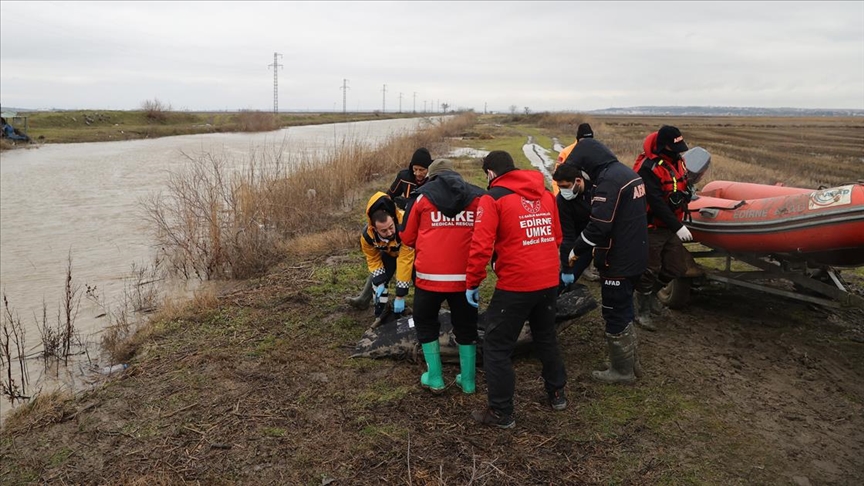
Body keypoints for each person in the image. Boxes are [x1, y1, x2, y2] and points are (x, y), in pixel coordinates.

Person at [465, 150, 568, 429]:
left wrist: (473, 283)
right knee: (546, 336)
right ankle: (557, 393)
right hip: (548, 279)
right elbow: (557, 236)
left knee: (496, 346)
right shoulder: (546, 194)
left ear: (490, 173)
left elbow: (481, 246)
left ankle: (501, 411)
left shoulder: (493, 199)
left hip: (516, 283)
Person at [563, 137, 648, 385]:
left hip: (618, 260)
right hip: (636, 255)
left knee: (614, 312)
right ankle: (633, 364)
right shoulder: (627, 174)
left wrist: (576, 250)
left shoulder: (609, 182)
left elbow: (599, 227)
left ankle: (622, 371)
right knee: (626, 308)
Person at [400, 159, 485, 394]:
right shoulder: (477, 198)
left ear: (433, 177)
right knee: (467, 327)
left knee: (426, 323)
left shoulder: (421, 198)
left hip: (429, 279)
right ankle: (468, 381)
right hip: (465, 281)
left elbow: (406, 238)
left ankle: (435, 377)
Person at [632, 125, 693, 331]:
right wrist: (678, 227)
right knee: (649, 270)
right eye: (675, 148)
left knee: (676, 267)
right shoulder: (648, 168)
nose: (679, 152)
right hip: (653, 226)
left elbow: (681, 184)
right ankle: (642, 311)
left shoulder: (679, 161)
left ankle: (650, 297)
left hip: (671, 225)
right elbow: (655, 202)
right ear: (664, 146)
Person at [356, 192, 415, 320]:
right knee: (378, 281)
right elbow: (373, 258)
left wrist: (400, 295)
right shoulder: (367, 236)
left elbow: (405, 260)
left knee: (419, 279)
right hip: (390, 253)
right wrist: (380, 281)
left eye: (391, 227)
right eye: (383, 231)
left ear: (393, 220)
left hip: (413, 253)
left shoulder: (406, 225)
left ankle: (426, 309)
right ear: (375, 228)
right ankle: (381, 314)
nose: (389, 233)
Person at [552, 163, 593, 291]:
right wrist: (567, 268)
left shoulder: (596, 188)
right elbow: (567, 237)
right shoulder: (562, 201)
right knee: (572, 271)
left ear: (578, 181)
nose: (563, 191)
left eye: (565, 186)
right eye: (559, 187)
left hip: (604, 231)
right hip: (581, 237)